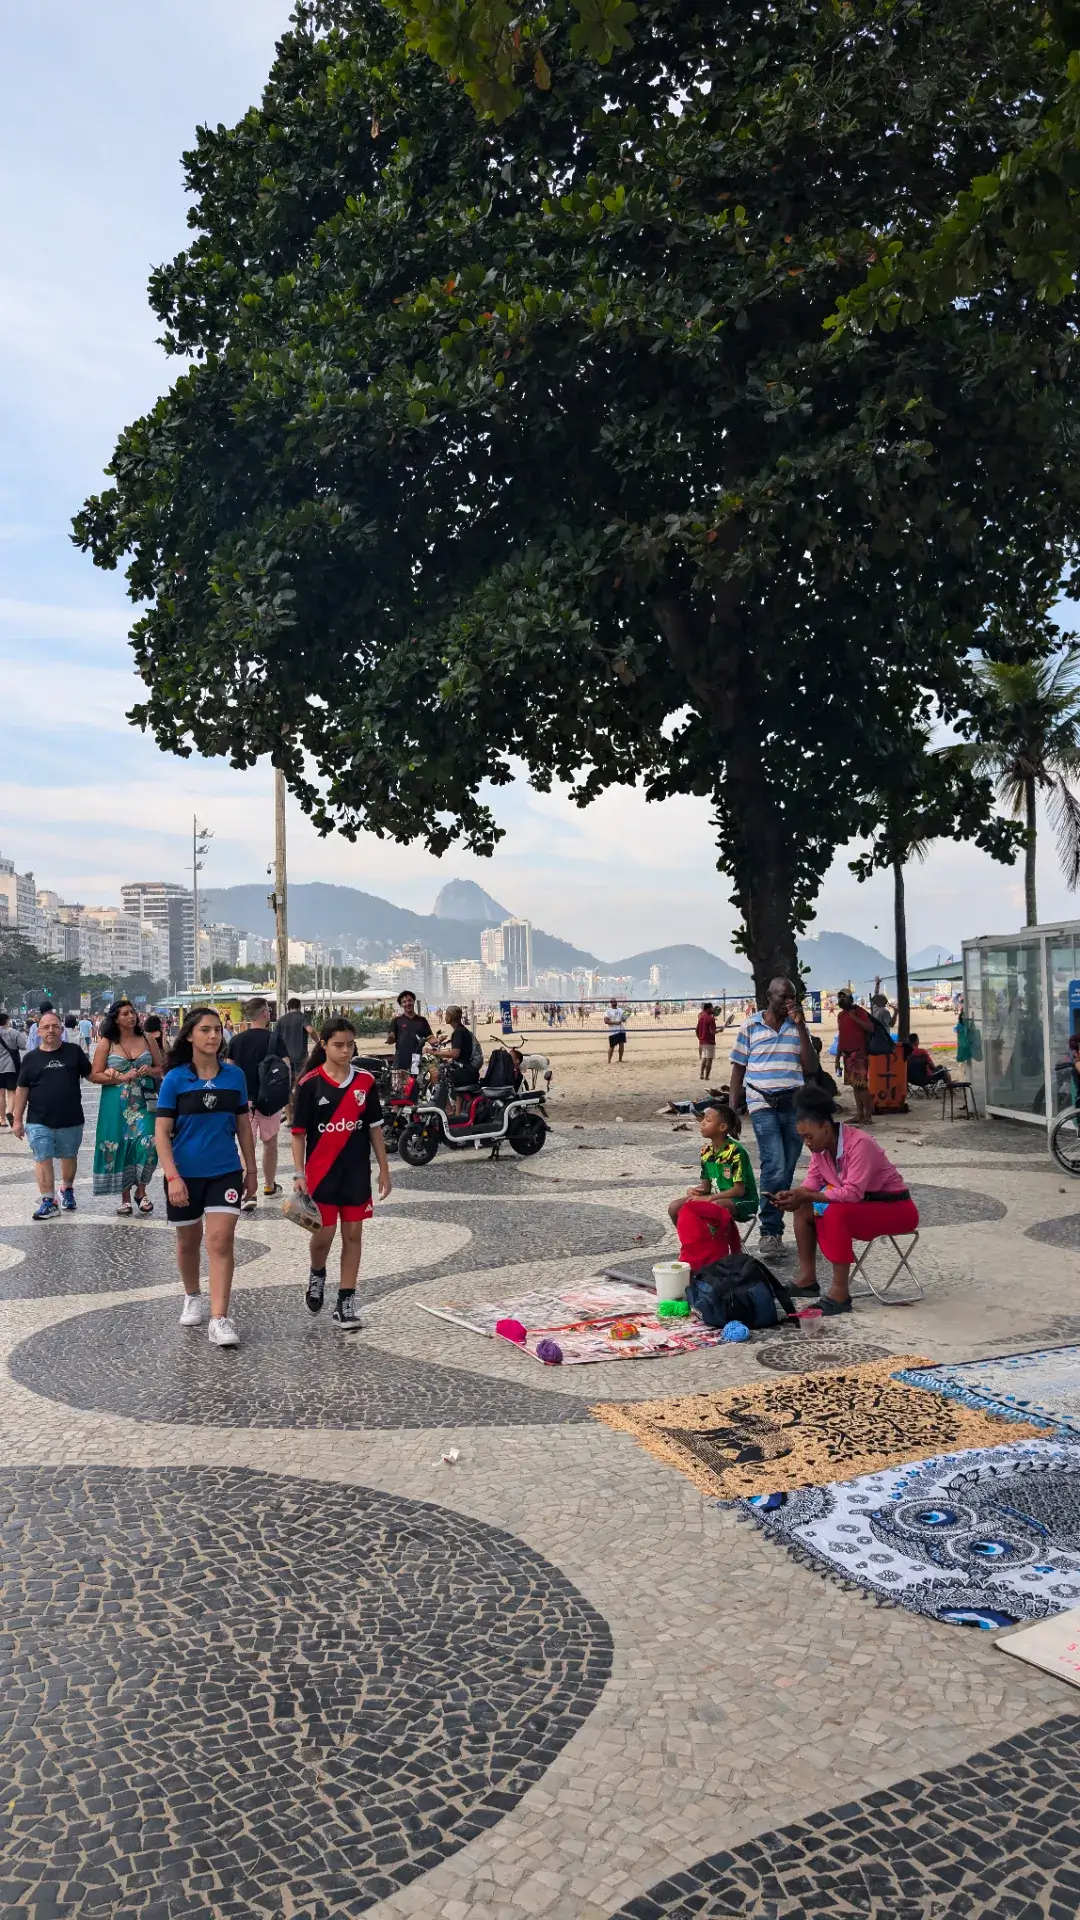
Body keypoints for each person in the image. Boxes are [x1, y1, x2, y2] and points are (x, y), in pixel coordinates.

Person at [154, 1006, 257, 1347]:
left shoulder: (235, 1076)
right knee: (188, 1241)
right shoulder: (175, 1079)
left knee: (220, 1240)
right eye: (205, 1030)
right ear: (189, 1036)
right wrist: (172, 1176)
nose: (214, 1036)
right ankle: (192, 1295)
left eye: (217, 1029)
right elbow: (161, 1132)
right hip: (184, 1174)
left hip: (225, 1171)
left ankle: (219, 1319)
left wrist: (252, 1169)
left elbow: (243, 1126)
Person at [771, 1083, 919, 1313]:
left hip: (895, 1208)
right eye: (802, 1138)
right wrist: (795, 1195)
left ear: (826, 1127)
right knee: (804, 1208)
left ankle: (840, 1293)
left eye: (809, 1136)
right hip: (865, 1206)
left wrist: (807, 1194)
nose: (806, 1143)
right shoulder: (820, 1149)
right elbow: (812, 1181)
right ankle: (807, 1280)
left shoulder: (860, 1144)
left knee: (835, 1211)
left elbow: (852, 1193)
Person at [291, 1017, 391, 1330]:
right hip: (321, 1173)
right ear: (323, 1045)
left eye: (349, 1044)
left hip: (356, 1171)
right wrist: (298, 1173)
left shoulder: (365, 1082)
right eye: (338, 1045)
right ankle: (317, 1273)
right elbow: (298, 1133)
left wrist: (384, 1170)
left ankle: (345, 1302)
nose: (345, 1051)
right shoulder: (309, 1084)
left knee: (353, 1235)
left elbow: (375, 1129)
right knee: (324, 1235)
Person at [728, 977, 818, 1256]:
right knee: (775, 1163)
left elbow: (811, 1067)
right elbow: (738, 1069)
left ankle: (773, 1227)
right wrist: (732, 1109)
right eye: (783, 997)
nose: (789, 1002)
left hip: (794, 1104)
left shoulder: (797, 1027)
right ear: (769, 996)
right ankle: (770, 1232)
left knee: (787, 1167)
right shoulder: (750, 1026)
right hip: (761, 1102)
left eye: (793, 997)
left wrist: (800, 1025)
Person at [12, 1009, 92, 1218]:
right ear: (38, 1031)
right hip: (38, 1119)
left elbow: (92, 1074)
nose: (50, 1030)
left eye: (55, 1026)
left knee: (69, 1155)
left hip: (71, 1117)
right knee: (42, 1157)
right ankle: (48, 1201)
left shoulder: (74, 1052)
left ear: (61, 1029)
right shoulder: (31, 1058)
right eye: (45, 1027)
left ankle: (67, 1189)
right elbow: (22, 1089)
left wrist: (116, 1075)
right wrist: (17, 1119)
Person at [91, 1000, 165, 1214]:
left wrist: (149, 1071)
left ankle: (141, 1191)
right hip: (116, 1104)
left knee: (150, 1142)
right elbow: (94, 1075)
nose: (131, 1016)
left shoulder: (147, 1038)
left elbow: (161, 1068)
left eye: (132, 1012)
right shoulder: (107, 1043)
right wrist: (120, 1077)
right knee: (120, 1145)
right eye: (125, 1014)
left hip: (144, 1101)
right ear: (115, 1019)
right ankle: (125, 1197)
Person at [667, 1101, 758, 1270]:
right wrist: (693, 1191)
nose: (702, 1123)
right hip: (716, 1198)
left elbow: (739, 1190)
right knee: (675, 1207)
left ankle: (715, 1252)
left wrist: (708, 1198)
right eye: (703, 1119)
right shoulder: (706, 1152)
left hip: (742, 1202)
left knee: (715, 1206)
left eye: (708, 1120)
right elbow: (706, 1188)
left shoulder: (736, 1151)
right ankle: (694, 1246)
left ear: (722, 1127)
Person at [226, 997, 289, 1208]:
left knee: (247, 1146)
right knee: (270, 1144)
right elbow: (286, 1068)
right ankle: (269, 1186)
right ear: (264, 1013)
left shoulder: (236, 1040)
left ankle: (248, 1193)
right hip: (269, 1101)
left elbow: (229, 1071)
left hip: (244, 1102)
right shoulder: (275, 1039)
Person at [835, 990, 875, 1125]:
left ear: (851, 999)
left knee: (862, 1085)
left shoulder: (860, 1012)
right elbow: (841, 1036)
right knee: (855, 1085)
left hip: (859, 1054)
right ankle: (859, 1114)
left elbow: (870, 1028)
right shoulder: (841, 1015)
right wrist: (837, 1059)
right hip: (846, 1055)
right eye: (839, 997)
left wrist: (855, 1018)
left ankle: (867, 1115)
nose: (841, 999)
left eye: (844, 996)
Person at [433, 1005, 480, 1113]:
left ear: (450, 1017)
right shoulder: (462, 1030)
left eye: (446, 1014)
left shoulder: (458, 1032)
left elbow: (455, 1054)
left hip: (465, 1072)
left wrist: (436, 1053)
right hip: (468, 1069)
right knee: (457, 1092)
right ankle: (458, 1114)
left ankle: (448, 1109)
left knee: (438, 1076)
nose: (445, 1016)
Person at [387, 990, 433, 1070]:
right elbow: (390, 1041)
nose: (407, 1003)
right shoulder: (396, 1020)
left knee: (414, 1077)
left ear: (414, 1001)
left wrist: (438, 1040)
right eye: (404, 1002)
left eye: (409, 1000)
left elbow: (430, 1038)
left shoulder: (422, 1020)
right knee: (400, 1078)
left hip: (416, 1058)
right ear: (401, 1005)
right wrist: (390, 1038)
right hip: (400, 1058)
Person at [272, 996, 312, 1084]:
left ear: (288, 1007)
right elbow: (310, 1030)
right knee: (300, 1081)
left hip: (285, 1056)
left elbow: (275, 1036)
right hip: (300, 1056)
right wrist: (317, 1041)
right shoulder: (303, 1017)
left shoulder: (282, 1019)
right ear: (299, 1006)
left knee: (287, 1081)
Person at [0, 1012, 21, 1128]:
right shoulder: (14, 1032)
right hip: (11, 1066)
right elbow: (23, 1045)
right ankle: (9, 1112)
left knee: (0, 1094)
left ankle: (2, 1120)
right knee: (11, 1092)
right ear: (7, 1021)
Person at [696, 1002, 717, 1081]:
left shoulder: (701, 1018)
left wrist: (700, 1038)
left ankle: (701, 1073)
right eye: (712, 1008)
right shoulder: (711, 1019)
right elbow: (712, 1031)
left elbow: (696, 1030)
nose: (713, 1009)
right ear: (708, 1009)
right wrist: (719, 1031)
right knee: (709, 1060)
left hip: (702, 1042)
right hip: (709, 1042)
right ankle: (707, 1077)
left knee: (705, 1058)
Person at [604, 998, 628, 1063]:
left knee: (621, 1045)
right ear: (611, 1003)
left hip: (621, 1030)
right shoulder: (608, 1011)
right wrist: (616, 1023)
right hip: (613, 1031)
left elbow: (624, 1018)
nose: (615, 1002)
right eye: (613, 1001)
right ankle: (609, 1061)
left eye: (615, 1001)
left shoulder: (620, 1010)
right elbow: (606, 1021)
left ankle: (620, 1060)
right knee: (612, 1046)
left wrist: (624, 1019)